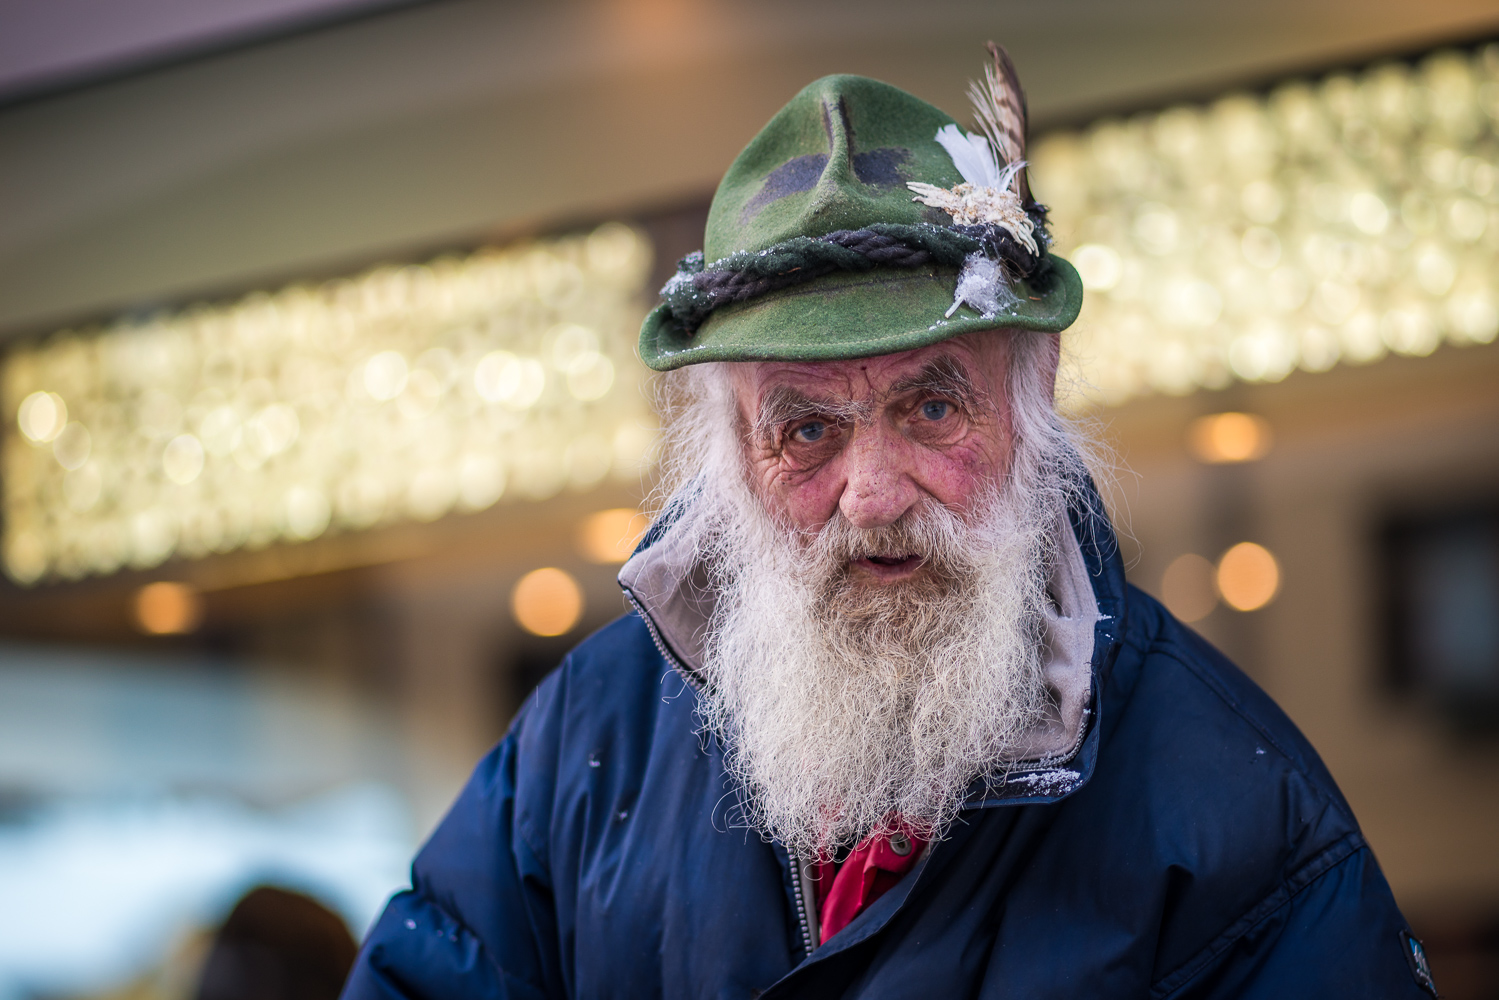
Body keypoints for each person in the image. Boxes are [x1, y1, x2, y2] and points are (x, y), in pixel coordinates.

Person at [342, 45, 1437, 999]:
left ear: (1029, 396)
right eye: (804, 430)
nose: (870, 497)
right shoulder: (584, 739)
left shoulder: (1234, 812)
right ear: (727, 452)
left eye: (928, 406)